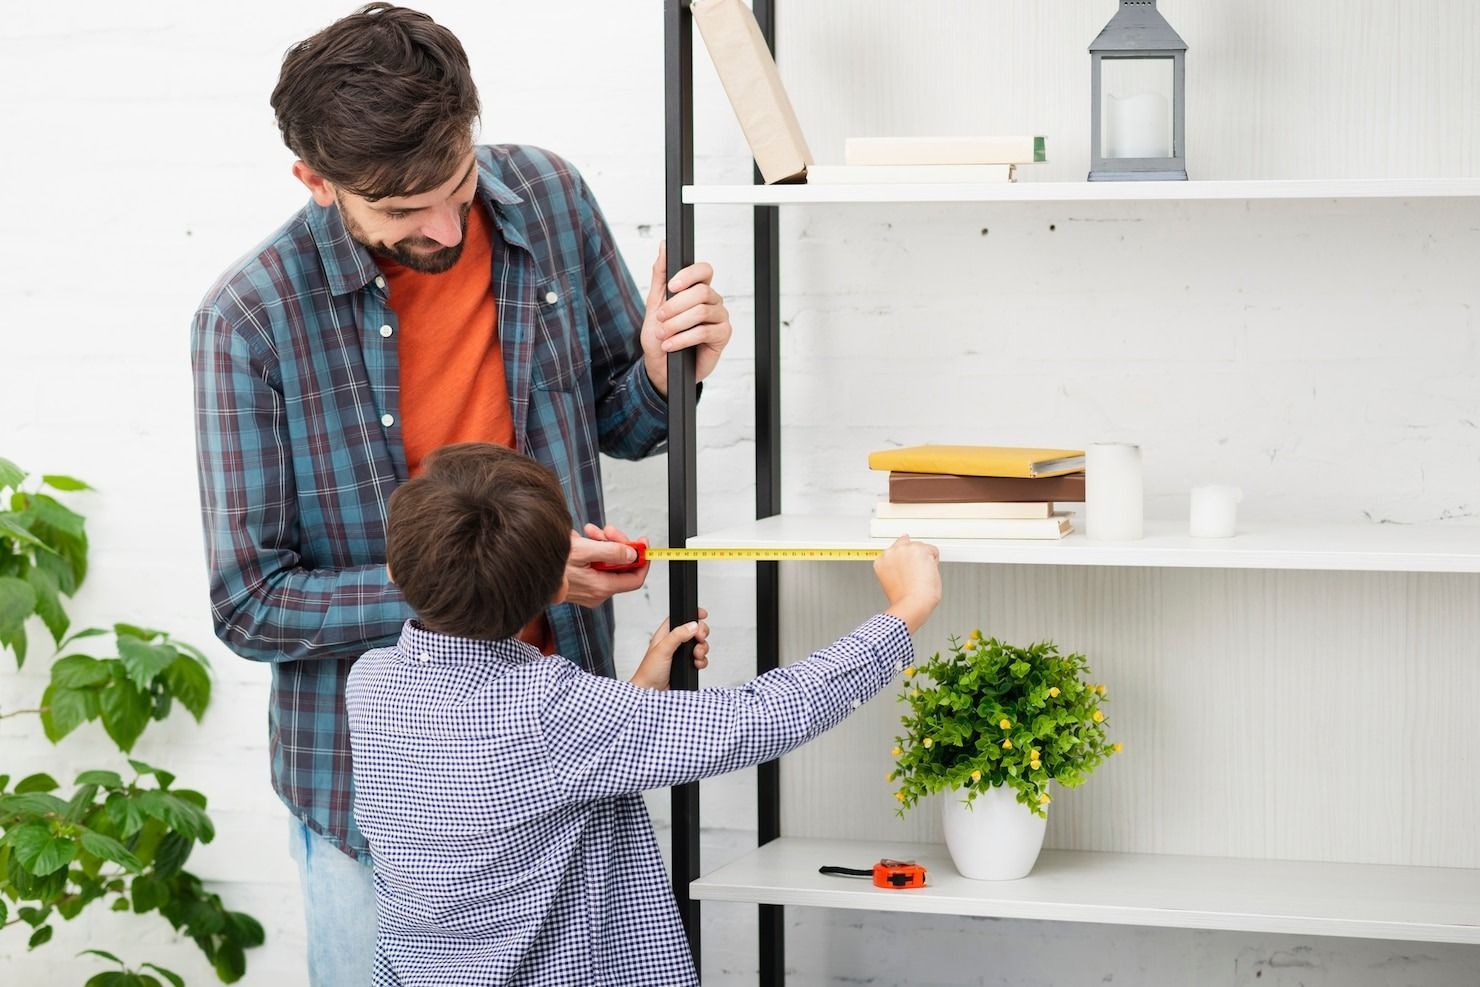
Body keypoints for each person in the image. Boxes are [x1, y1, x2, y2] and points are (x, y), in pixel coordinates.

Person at [190, 5, 733, 982]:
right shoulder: (250, 321)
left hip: (560, 742)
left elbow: (626, 423)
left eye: (457, 184)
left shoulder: (550, 197)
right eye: (403, 214)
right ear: (316, 182)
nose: (445, 229)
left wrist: (665, 369)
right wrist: (503, 578)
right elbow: (250, 603)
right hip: (373, 797)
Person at [346, 443, 942, 986]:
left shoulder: (371, 683)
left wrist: (638, 691)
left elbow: (520, 791)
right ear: (560, 586)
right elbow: (759, 717)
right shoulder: (550, 708)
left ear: (396, 571)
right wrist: (906, 609)